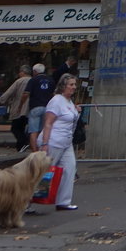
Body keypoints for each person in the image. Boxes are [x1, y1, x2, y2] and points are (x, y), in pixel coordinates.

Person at [38, 73, 82, 211]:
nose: (74, 87)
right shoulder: (56, 100)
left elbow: (71, 121)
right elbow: (48, 122)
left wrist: (77, 112)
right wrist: (45, 144)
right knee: (44, 171)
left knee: (69, 168)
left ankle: (63, 201)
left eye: (75, 84)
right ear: (63, 86)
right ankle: (27, 202)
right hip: (53, 141)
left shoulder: (69, 102)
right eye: (71, 84)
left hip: (66, 142)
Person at [21, 63, 55, 152]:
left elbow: (26, 94)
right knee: (44, 130)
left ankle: (35, 153)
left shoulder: (33, 80)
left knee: (33, 131)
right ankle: (43, 150)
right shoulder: (50, 80)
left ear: (35, 71)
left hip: (35, 107)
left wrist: (21, 104)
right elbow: (54, 94)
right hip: (47, 108)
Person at [0, 65, 31, 148]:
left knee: (15, 128)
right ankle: (21, 146)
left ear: (23, 72)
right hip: (29, 109)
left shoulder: (19, 81)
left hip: (19, 108)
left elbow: (9, 92)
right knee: (22, 128)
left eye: (20, 72)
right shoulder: (33, 80)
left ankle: (23, 143)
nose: (19, 74)